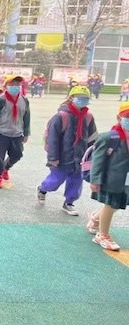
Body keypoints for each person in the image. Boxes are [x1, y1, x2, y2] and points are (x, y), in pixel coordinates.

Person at [37, 86, 97, 215]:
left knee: (76, 182)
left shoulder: (88, 117)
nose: (83, 100)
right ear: (71, 98)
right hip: (62, 157)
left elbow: (92, 138)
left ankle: (69, 203)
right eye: (80, 97)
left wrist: (90, 157)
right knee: (55, 180)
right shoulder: (61, 116)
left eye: (86, 98)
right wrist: (53, 158)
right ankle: (43, 189)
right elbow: (53, 139)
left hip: (80, 157)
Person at [87, 102, 129, 251]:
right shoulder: (109, 137)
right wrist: (95, 180)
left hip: (126, 180)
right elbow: (97, 161)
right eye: (128, 116)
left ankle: (95, 219)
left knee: (117, 204)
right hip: (112, 180)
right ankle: (102, 235)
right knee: (111, 205)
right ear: (119, 118)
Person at [0, 75, 31, 188]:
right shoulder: (0, 100)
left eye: (18, 84)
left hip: (17, 133)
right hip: (2, 133)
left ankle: (5, 168)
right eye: (12, 84)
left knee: (17, 154)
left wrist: (26, 133)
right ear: (6, 86)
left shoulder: (24, 101)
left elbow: (26, 117)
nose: (15, 87)